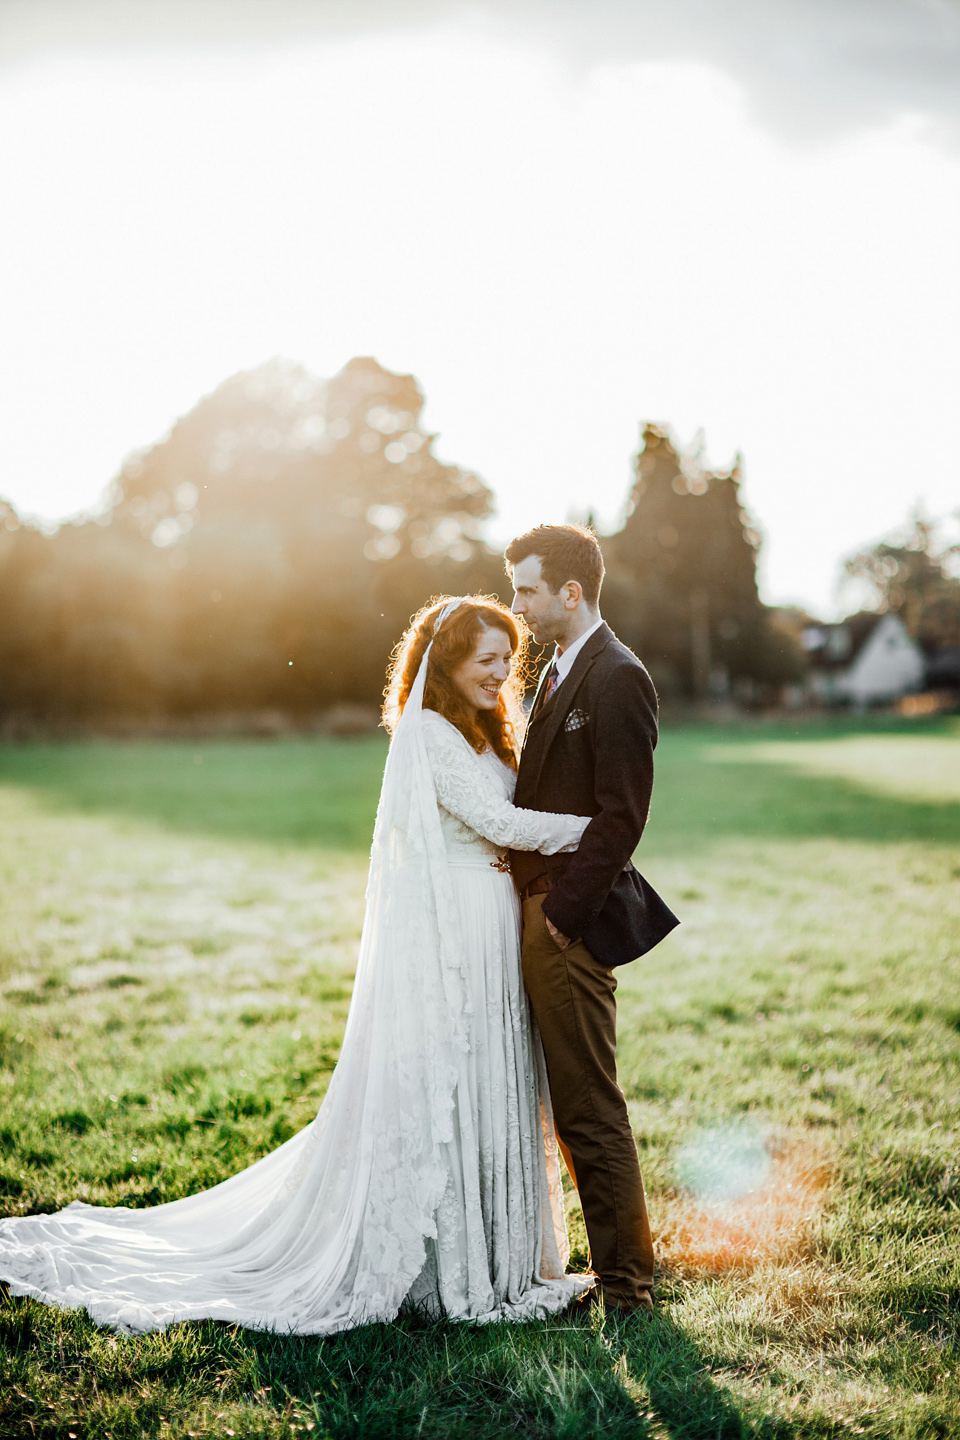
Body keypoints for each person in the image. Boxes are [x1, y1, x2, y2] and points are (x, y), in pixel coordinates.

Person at [0, 596, 594, 1335]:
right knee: (456, 1082)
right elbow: (500, 823)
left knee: (492, 1079)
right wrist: (598, 829)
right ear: (446, 662)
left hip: (494, 918)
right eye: (485, 660)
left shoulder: (485, 731)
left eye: (508, 659)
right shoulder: (432, 734)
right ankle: (449, 1270)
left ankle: (504, 1255)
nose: (501, 672)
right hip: (459, 930)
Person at [505, 524, 679, 1315]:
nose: (517, 605)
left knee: (588, 1105)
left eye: (527, 590)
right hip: (538, 912)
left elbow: (621, 816)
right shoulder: (553, 673)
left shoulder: (617, 677)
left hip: (567, 919)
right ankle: (620, 1265)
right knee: (570, 1105)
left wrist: (562, 919)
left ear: (570, 592)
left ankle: (626, 1288)